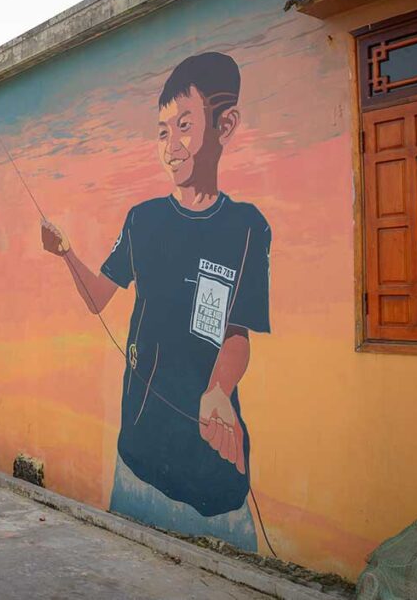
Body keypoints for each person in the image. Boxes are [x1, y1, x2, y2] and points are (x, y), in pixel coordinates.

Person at [40, 52, 271, 551]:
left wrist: (218, 389)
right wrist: (65, 254)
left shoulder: (247, 228)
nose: (171, 147)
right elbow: (99, 297)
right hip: (137, 460)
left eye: (185, 126)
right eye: (162, 131)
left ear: (225, 125)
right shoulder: (142, 220)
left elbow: (238, 334)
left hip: (216, 475)